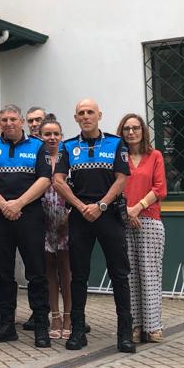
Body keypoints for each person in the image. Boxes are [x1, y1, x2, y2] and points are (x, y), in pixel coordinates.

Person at [53, 99, 135, 354]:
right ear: (76, 118)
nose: (86, 116)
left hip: (108, 215)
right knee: (79, 275)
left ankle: (124, 333)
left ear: (99, 115)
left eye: (90, 112)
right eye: (81, 113)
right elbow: (58, 181)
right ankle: (78, 330)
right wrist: (80, 206)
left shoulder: (115, 143)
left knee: (119, 274)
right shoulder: (68, 147)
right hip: (80, 216)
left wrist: (100, 205)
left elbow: (121, 180)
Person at [0, 104, 53, 347]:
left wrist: (18, 203)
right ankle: (7, 326)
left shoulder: (37, 145)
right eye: (4, 119)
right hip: (0, 217)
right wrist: (4, 205)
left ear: (21, 121)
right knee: (3, 273)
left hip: (29, 216)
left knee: (36, 273)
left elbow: (44, 179)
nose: (8, 123)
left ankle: (41, 326)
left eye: (13, 119)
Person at [117, 113, 167, 343]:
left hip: (149, 220)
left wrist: (137, 207)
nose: (131, 132)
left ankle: (153, 326)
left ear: (143, 131)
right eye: (127, 128)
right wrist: (127, 211)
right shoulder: (119, 156)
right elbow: (114, 186)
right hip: (124, 220)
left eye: (135, 128)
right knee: (130, 276)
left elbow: (160, 189)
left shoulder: (154, 155)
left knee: (150, 274)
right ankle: (135, 325)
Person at [40, 116, 72, 340]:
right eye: (47, 134)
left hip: (68, 220)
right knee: (48, 270)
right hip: (43, 221)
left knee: (66, 271)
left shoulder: (68, 157)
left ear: (61, 136)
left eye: (55, 134)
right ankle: (55, 315)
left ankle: (70, 315)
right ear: (41, 137)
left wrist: (70, 214)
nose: (52, 138)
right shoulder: (38, 158)